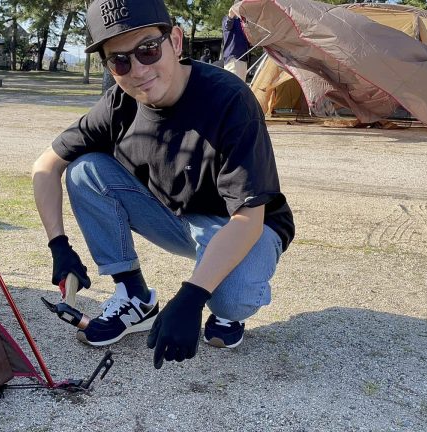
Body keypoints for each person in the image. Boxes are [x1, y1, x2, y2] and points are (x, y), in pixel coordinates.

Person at [31, 0, 294, 369]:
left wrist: (191, 296)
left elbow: (249, 217)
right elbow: (46, 166)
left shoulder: (230, 99)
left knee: (228, 300)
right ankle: (134, 297)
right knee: (84, 170)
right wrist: (59, 246)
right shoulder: (118, 104)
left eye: (148, 50)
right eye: (119, 60)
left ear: (175, 41)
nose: (137, 70)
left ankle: (228, 310)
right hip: (176, 218)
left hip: (245, 225)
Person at [221, 15, 250, 81]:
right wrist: (231, 16)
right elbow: (227, 25)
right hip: (233, 59)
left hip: (243, 59)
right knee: (233, 85)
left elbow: (248, 42)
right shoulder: (228, 18)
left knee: (241, 86)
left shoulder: (243, 22)